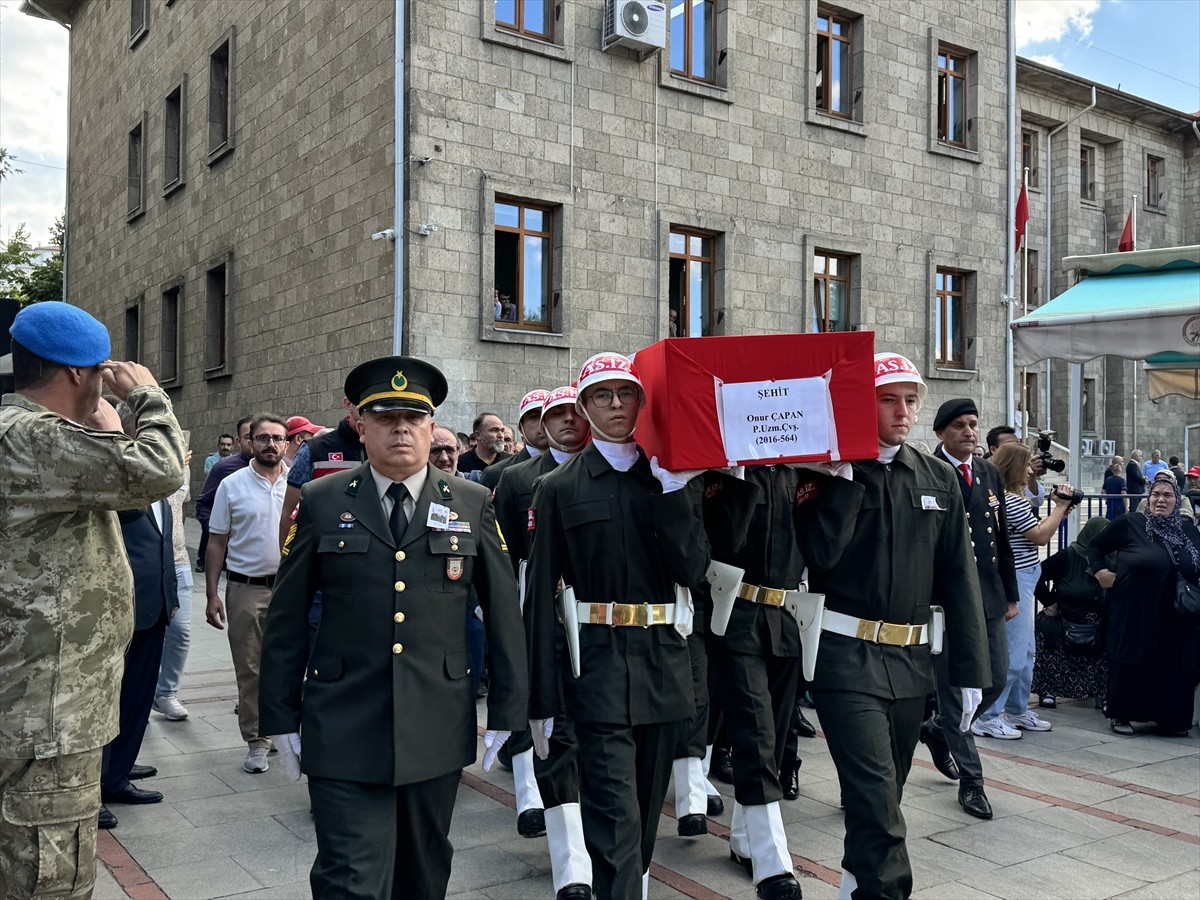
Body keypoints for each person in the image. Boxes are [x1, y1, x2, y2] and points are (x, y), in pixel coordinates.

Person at [258, 356, 528, 900]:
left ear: (432, 427)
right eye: (385, 417)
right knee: (348, 877)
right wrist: (279, 715)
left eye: (413, 418)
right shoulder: (323, 500)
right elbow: (286, 617)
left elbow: (503, 612)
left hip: (436, 719)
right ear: (361, 426)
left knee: (422, 873)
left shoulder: (471, 502)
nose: (400, 429)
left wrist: (510, 709)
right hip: (343, 718)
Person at [0, 301, 185, 900]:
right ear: (79, 373)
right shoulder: (35, 436)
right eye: (102, 372)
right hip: (48, 712)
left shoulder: (23, 434)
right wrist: (148, 396)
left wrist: (105, 428)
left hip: (36, 698)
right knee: (49, 879)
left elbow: (124, 498)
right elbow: (160, 470)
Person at [790, 352, 989, 900]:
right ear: (861, 404)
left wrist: (969, 671)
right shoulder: (825, 473)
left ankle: (856, 889)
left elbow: (959, 577)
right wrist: (840, 480)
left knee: (883, 799)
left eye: (910, 400)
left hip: (910, 663)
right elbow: (819, 555)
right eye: (887, 400)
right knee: (878, 804)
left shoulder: (937, 477)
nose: (903, 411)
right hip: (845, 658)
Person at [524, 353, 706, 900]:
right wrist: (539, 698)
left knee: (644, 821)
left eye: (626, 393)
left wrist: (675, 495)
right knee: (614, 820)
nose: (616, 405)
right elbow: (540, 596)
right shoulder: (559, 487)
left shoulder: (668, 477)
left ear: (641, 401)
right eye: (602, 395)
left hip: (663, 664)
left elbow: (693, 570)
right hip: (597, 667)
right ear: (583, 408)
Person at [496, 385, 594, 900]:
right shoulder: (517, 478)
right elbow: (511, 552)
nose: (565, 423)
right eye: (552, 415)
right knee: (551, 730)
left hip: (600, 620)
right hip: (543, 612)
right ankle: (569, 860)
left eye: (574, 413)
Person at [919, 398, 1019, 820]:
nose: (969, 432)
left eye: (973, 424)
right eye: (959, 425)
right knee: (957, 690)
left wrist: (1010, 592)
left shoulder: (988, 472)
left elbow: (1000, 535)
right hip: (945, 599)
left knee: (996, 677)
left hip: (988, 594)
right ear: (941, 432)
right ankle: (972, 782)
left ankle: (938, 728)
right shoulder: (926, 472)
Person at [100, 432, 181, 825]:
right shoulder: (117, 483)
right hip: (120, 611)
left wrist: (171, 595)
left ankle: (118, 771)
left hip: (155, 606)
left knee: (137, 696)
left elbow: (164, 545)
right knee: (108, 701)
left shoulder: (162, 488)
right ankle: (95, 786)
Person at [205, 414, 290, 774]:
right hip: (245, 588)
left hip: (288, 588)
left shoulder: (298, 484)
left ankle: (285, 732)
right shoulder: (232, 484)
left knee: (286, 665)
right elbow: (217, 541)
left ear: (287, 444)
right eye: (263, 438)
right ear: (250, 442)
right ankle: (256, 740)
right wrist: (212, 593)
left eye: (277, 438)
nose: (271, 444)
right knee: (250, 667)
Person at [972, 442, 1074, 740]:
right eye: (1027, 464)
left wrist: (1057, 512)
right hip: (1017, 578)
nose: (1032, 470)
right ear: (1014, 467)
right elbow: (1040, 536)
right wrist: (1060, 508)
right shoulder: (1011, 502)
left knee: (1027, 652)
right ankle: (988, 716)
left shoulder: (1008, 498)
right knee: (1014, 655)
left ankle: (1016, 709)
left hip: (1025, 575)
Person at [1092, 474, 1200, 736]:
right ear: (1148, 498)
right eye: (1155, 495)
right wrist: (1100, 572)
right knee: (1131, 658)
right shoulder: (1131, 523)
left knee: (1173, 663)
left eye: (1167, 495)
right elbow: (1095, 546)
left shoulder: (1187, 530)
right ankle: (1122, 714)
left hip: (1176, 614)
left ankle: (1170, 719)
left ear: (1177, 500)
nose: (1160, 500)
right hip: (1135, 609)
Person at [1031, 518, 1109, 711]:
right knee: (1048, 629)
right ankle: (1049, 689)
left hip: (1098, 621)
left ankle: (1102, 692)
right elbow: (1036, 575)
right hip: (1066, 618)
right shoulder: (1069, 556)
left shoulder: (1112, 557)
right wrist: (1050, 602)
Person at [153, 459, 195, 722]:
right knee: (143, 634)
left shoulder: (183, 466)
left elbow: (183, 506)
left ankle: (166, 692)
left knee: (180, 631)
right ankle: (137, 694)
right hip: (144, 562)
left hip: (178, 561)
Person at [195, 417, 253, 572]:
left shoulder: (282, 470)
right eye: (248, 437)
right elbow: (203, 503)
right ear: (238, 441)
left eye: (260, 436)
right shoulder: (223, 467)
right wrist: (213, 529)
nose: (254, 441)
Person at [482, 389, 549, 491]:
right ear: (521, 428)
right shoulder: (497, 473)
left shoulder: (572, 467)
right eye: (534, 417)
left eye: (550, 415)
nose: (542, 423)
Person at [1103, 456, 1128, 521]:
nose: (1123, 463)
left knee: (1109, 520)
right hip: (1119, 504)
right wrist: (1126, 506)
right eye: (1122, 461)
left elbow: (1103, 491)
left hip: (1110, 503)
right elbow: (1123, 493)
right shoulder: (1121, 480)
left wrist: (1106, 498)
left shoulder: (1108, 479)